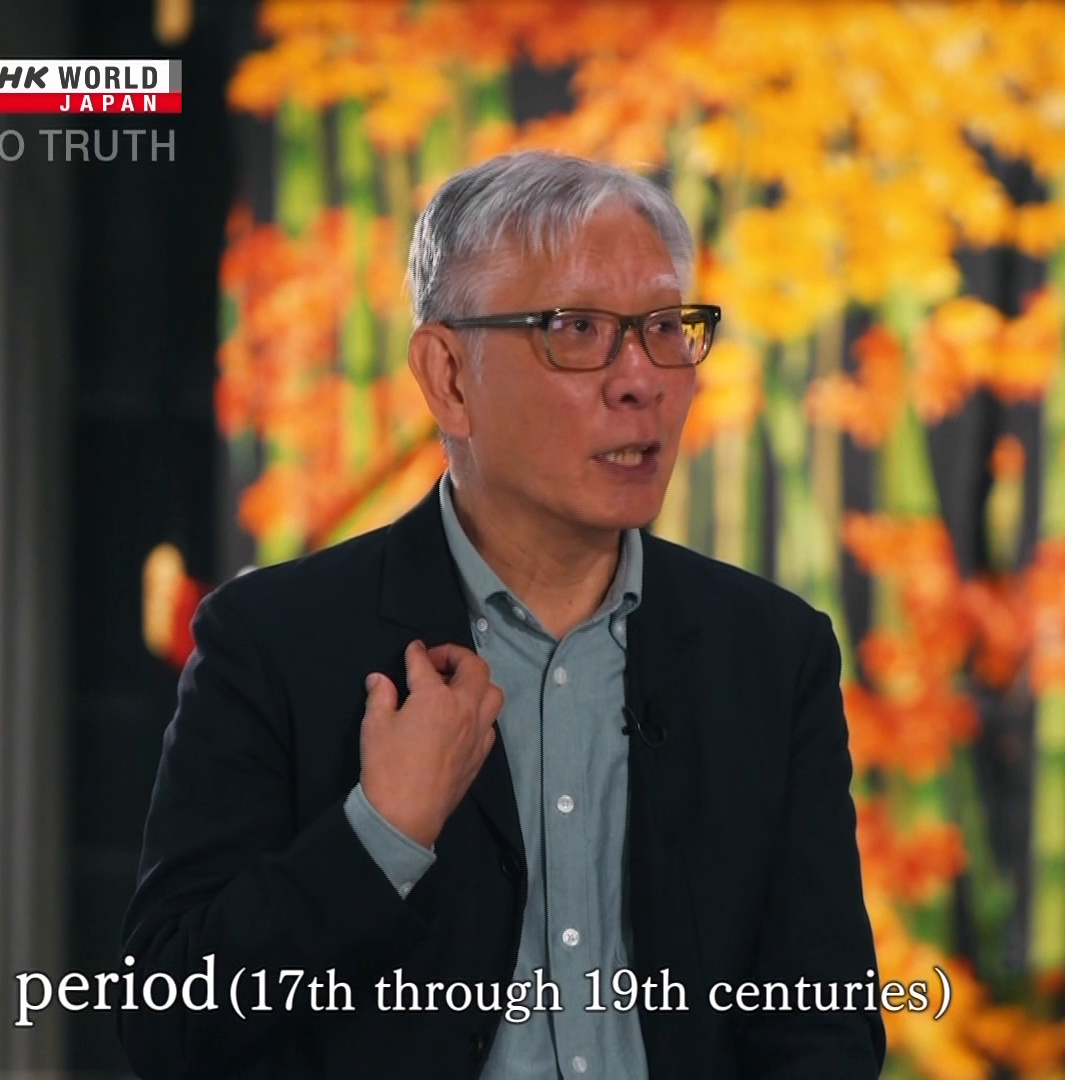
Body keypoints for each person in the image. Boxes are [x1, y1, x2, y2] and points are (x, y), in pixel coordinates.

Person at [119, 151, 885, 1079]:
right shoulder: (273, 643)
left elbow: (823, 1028)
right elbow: (168, 1023)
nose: (640, 380)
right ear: (448, 377)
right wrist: (382, 832)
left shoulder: (770, 655)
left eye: (664, 329)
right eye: (578, 329)